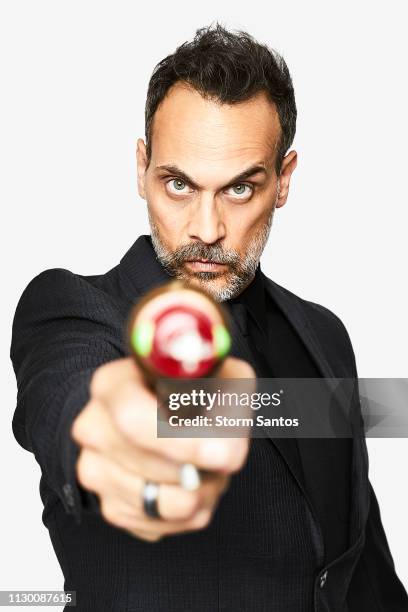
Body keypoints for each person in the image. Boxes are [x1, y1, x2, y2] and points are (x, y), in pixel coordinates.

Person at [10, 23, 408, 612]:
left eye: (239, 190)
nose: (206, 229)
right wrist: (115, 436)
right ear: (142, 168)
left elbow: (359, 563)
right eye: (178, 184)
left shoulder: (325, 335)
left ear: (283, 182)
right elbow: (75, 397)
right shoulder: (73, 310)